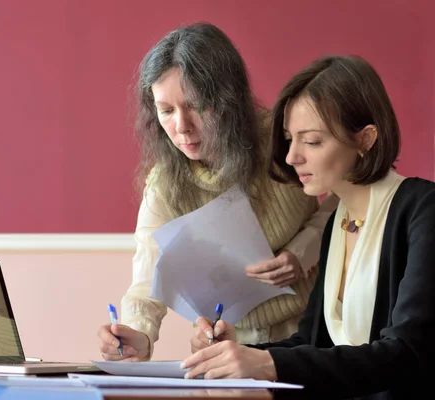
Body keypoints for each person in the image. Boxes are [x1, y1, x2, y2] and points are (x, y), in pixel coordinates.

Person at [184, 55, 434, 399]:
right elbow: (312, 344)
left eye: (312, 141)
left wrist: (267, 365)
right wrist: (241, 352)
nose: (291, 157)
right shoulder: (338, 222)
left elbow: (405, 353)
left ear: (366, 139)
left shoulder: (424, 210)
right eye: (290, 138)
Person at [97, 22, 336, 362]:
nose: (181, 127)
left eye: (196, 106)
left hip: (319, 325)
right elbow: (149, 273)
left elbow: (348, 194)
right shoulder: (165, 180)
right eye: (166, 111)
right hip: (235, 342)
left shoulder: (282, 138)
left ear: (230, 99)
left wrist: (304, 250)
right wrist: (140, 333)